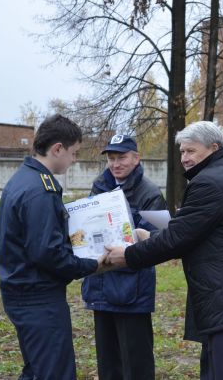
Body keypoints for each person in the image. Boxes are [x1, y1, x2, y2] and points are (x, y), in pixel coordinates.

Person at [105, 121, 223, 380]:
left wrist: (127, 256)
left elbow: (177, 240)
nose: (184, 158)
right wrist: (151, 235)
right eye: (182, 152)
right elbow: (195, 231)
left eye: (191, 151)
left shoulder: (210, 182)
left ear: (214, 147)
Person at [0, 114, 104, 380]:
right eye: (74, 153)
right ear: (57, 148)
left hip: (24, 293)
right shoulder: (40, 190)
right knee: (54, 372)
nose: (74, 160)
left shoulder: (24, 178)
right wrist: (94, 265)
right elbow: (47, 252)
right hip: (38, 298)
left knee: (36, 369)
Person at [81, 134, 167, 380]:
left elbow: (161, 238)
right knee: (108, 361)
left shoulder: (150, 192)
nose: (116, 164)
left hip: (132, 289)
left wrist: (140, 237)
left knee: (135, 361)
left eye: (122, 157)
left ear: (136, 158)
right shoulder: (99, 185)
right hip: (100, 284)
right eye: (111, 158)